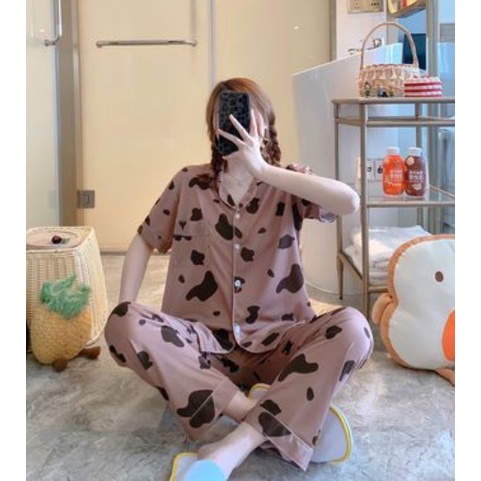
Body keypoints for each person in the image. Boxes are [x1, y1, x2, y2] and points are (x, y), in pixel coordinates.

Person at [104, 77, 373, 480]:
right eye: (224, 115)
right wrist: (125, 303)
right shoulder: (188, 182)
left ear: (265, 123)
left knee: (355, 328)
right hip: (201, 350)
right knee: (123, 323)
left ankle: (233, 444)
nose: (234, 122)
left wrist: (263, 169)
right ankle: (267, 415)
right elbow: (145, 239)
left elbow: (349, 201)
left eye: (245, 114)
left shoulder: (289, 183)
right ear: (212, 128)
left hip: (280, 347)